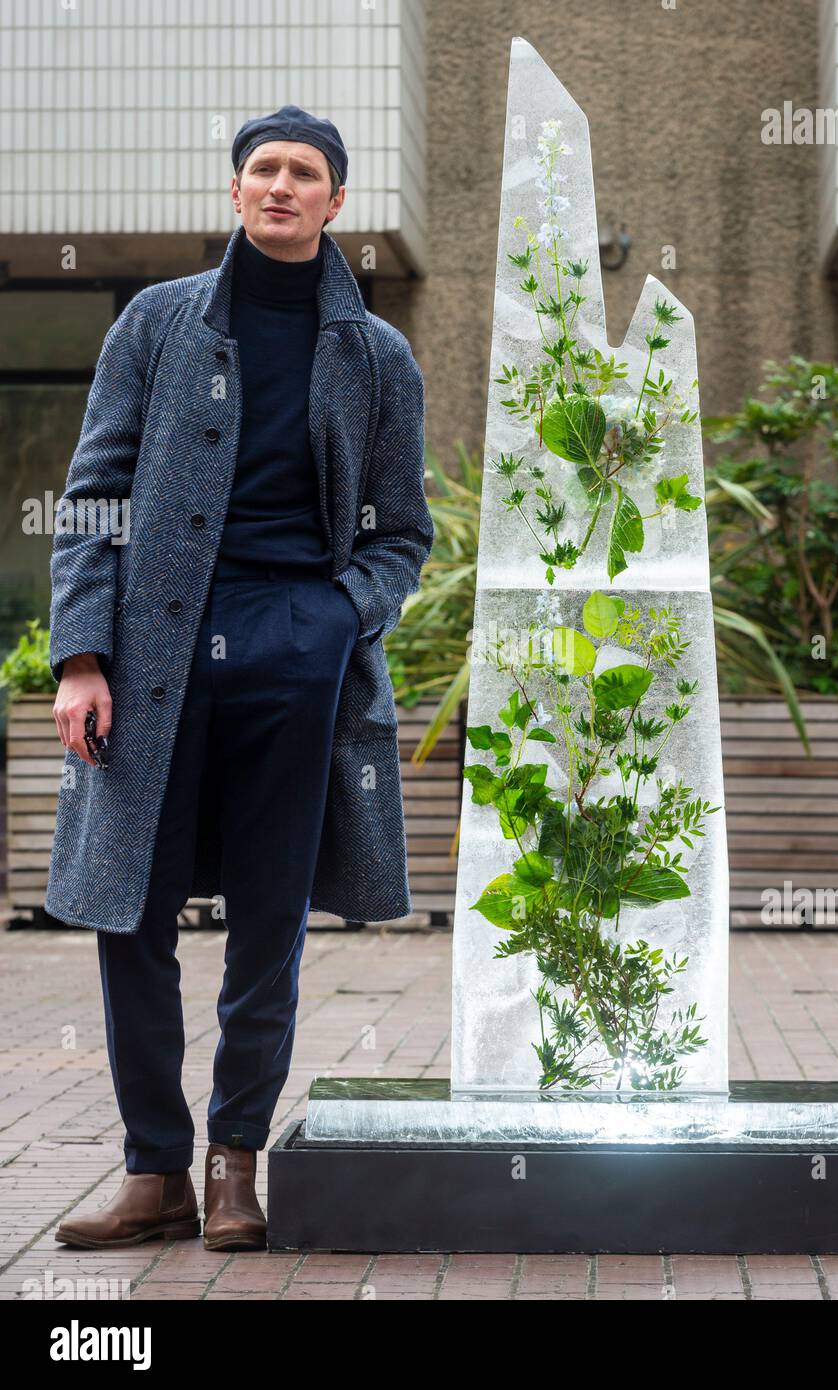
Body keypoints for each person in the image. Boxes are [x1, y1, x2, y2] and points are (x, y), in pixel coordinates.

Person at [49, 105, 434, 1251]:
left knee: (269, 917)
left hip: (295, 656)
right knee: (134, 911)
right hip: (152, 655)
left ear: (334, 202)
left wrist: (335, 615)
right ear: (233, 192)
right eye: (260, 168)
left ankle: (233, 1164)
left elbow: (400, 534)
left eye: (302, 172)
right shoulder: (157, 325)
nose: (279, 186)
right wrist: (80, 655)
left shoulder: (376, 354)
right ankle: (153, 1166)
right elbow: (93, 496)